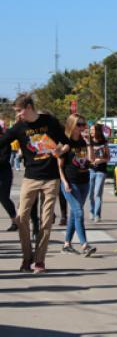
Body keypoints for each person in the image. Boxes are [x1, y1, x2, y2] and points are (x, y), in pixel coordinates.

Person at [0, 94, 67, 273]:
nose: (18, 114)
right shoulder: (19, 127)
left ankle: (39, 260)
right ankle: (26, 257)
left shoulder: (49, 121)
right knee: (22, 218)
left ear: (29, 107)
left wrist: (59, 151)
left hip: (51, 178)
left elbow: (66, 141)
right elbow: (2, 141)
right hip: (30, 178)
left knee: (46, 221)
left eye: (20, 110)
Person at [58, 114, 96, 257]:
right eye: (79, 124)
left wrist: (88, 143)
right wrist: (65, 182)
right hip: (70, 182)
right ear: (72, 125)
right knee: (79, 212)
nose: (82, 127)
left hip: (84, 182)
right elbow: (59, 166)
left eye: (83, 124)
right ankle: (85, 245)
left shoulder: (84, 141)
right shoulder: (65, 142)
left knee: (74, 213)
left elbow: (91, 160)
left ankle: (67, 244)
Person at [88, 123, 110, 222]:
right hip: (90, 170)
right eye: (90, 130)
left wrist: (100, 160)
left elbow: (108, 157)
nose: (91, 132)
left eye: (93, 130)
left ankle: (97, 214)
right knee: (90, 193)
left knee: (97, 193)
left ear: (97, 131)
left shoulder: (104, 142)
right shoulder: (88, 142)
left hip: (101, 171)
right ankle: (91, 211)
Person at [0, 125, 17, 231]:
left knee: (4, 198)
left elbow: (4, 159)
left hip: (4, 174)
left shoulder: (4, 142)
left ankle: (15, 221)